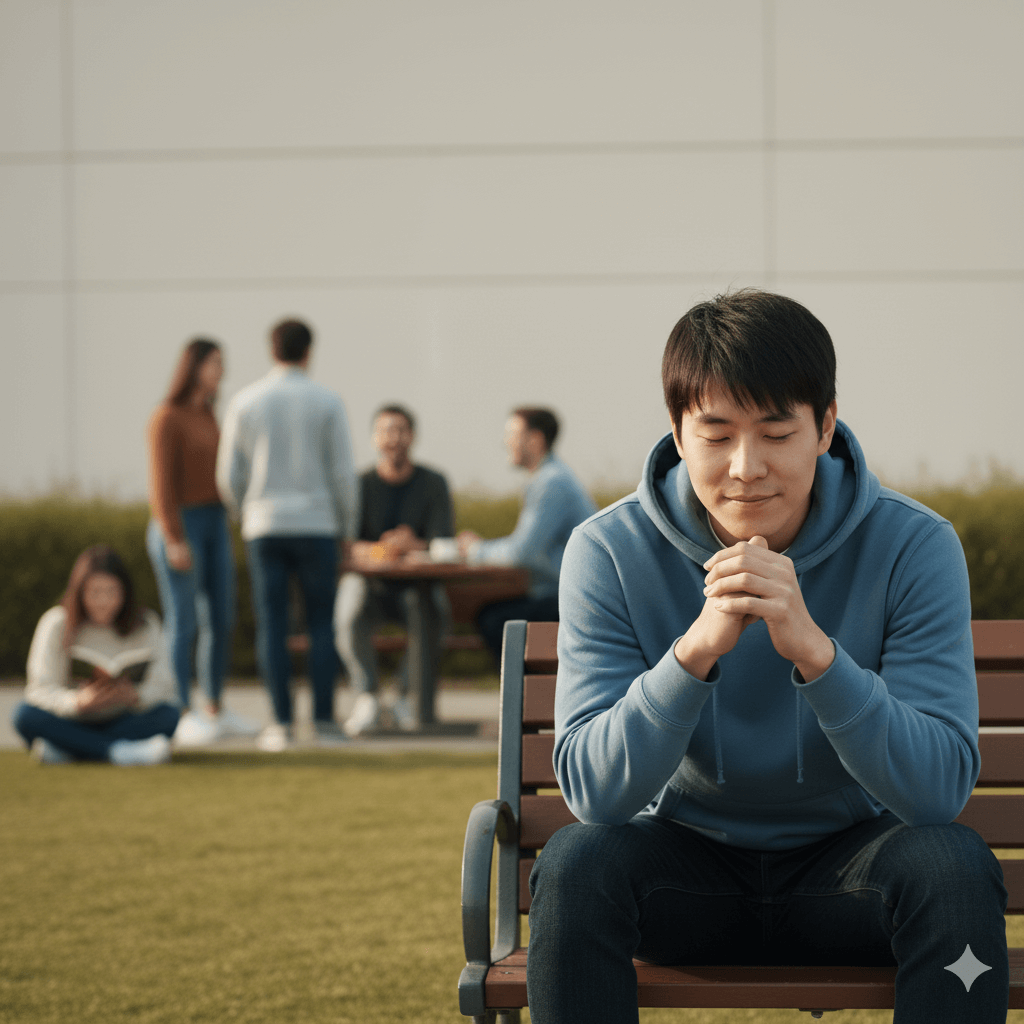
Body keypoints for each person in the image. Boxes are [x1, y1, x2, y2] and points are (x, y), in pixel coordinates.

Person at [526, 290, 1009, 1024]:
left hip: (853, 872)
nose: (746, 467)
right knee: (574, 864)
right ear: (678, 434)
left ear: (825, 426)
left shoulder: (914, 544)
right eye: (716, 434)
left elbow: (938, 793)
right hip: (682, 873)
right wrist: (694, 652)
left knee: (954, 866)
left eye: (777, 431)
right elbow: (594, 795)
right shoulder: (609, 550)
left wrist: (816, 653)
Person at [217, 318, 356, 751]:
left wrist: (246, 511)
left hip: (264, 525)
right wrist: (347, 530)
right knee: (321, 625)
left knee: (272, 626)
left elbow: (228, 475)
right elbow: (342, 474)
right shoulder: (327, 400)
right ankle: (324, 722)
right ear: (308, 351)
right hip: (317, 525)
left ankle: (279, 723)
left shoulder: (246, 401)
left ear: (271, 349)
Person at [146, 337, 256, 746]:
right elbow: (160, 486)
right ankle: (179, 710)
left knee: (221, 618)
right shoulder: (166, 417)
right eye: (214, 363)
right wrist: (174, 538)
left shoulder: (210, 414)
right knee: (184, 622)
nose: (221, 371)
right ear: (193, 367)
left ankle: (214, 706)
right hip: (182, 523)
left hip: (214, 521)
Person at [334, 405, 454, 735]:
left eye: (401, 430)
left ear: (412, 437)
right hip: (371, 585)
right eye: (386, 430)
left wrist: (410, 544)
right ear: (374, 438)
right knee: (347, 607)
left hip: (417, 587)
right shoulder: (358, 485)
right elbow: (346, 543)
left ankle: (403, 695)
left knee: (434, 613)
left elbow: (442, 542)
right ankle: (368, 695)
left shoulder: (433, 483)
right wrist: (379, 549)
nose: (394, 438)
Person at [12, 545, 179, 765]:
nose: (104, 601)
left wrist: (136, 696)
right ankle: (118, 751)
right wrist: (76, 702)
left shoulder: (146, 624)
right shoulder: (56, 623)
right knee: (25, 716)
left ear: (125, 593)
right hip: (72, 718)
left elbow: (164, 684)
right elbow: (39, 689)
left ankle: (69, 750)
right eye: (95, 592)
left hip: (123, 716)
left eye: (112, 592)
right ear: (80, 592)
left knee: (169, 715)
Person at [456, 407, 596, 661]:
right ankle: (528, 695)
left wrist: (475, 550)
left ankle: (529, 697)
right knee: (491, 614)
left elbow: (521, 553)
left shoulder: (551, 483)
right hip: (564, 592)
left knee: (494, 620)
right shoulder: (550, 477)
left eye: (513, 433)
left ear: (536, 439)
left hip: (572, 599)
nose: (505, 441)